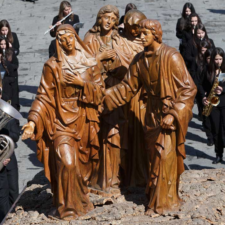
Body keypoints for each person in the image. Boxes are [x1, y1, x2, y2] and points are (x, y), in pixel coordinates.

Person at [103, 19, 197, 215]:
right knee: (154, 160)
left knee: (165, 158)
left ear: (156, 34)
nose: (140, 36)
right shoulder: (139, 60)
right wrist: (103, 98)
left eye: (145, 33)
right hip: (151, 116)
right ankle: (157, 200)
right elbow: (127, 88)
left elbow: (189, 89)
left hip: (168, 115)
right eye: (140, 33)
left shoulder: (171, 57)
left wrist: (173, 113)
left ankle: (165, 204)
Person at [21, 24, 104, 220]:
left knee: (82, 170)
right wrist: (32, 121)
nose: (67, 42)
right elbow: (43, 96)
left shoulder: (90, 63)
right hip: (60, 122)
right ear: (58, 42)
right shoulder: (52, 66)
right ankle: (66, 209)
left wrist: (81, 84)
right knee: (66, 162)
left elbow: (100, 92)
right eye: (62, 39)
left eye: (70, 37)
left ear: (76, 37)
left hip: (84, 121)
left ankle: (81, 202)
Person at [83, 5, 134, 191]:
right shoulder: (90, 39)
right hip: (96, 93)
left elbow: (129, 63)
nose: (109, 22)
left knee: (115, 133)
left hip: (115, 93)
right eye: (106, 18)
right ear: (99, 18)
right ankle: (98, 176)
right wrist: (100, 57)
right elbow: (82, 67)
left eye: (113, 19)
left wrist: (118, 62)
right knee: (97, 135)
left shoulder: (118, 39)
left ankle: (114, 177)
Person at [120, 9, 148, 187]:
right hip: (127, 96)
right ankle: (129, 174)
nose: (136, 31)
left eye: (139, 27)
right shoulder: (121, 43)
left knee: (144, 135)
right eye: (132, 27)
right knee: (129, 134)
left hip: (144, 98)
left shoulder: (149, 43)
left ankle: (144, 173)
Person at [199, 48, 225, 163]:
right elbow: (200, 85)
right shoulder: (207, 70)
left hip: (224, 102)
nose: (218, 62)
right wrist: (203, 97)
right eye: (216, 59)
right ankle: (218, 154)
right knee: (216, 130)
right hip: (213, 104)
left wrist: (223, 89)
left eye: (220, 59)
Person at [0, 117, 20, 223]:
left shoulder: (10, 119)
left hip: (10, 157)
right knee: (2, 193)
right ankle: (4, 219)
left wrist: (4, 133)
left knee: (13, 190)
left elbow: (16, 136)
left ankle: (14, 217)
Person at [199, 48, 214, 146]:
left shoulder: (222, 70)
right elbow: (199, 84)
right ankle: (210, 138)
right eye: (209, 58)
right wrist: (203, 95)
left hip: (220, 98)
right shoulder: (204, 70)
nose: (212, 60)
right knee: (207, 119)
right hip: (208, 97)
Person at [0, 36, 19, 110]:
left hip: (9, 81)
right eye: (1, 44)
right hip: (1, 82)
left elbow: (15, 65)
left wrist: (6, 63)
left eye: (4, 44)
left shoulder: (10, 52)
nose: (3, 46)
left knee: (11, 103)